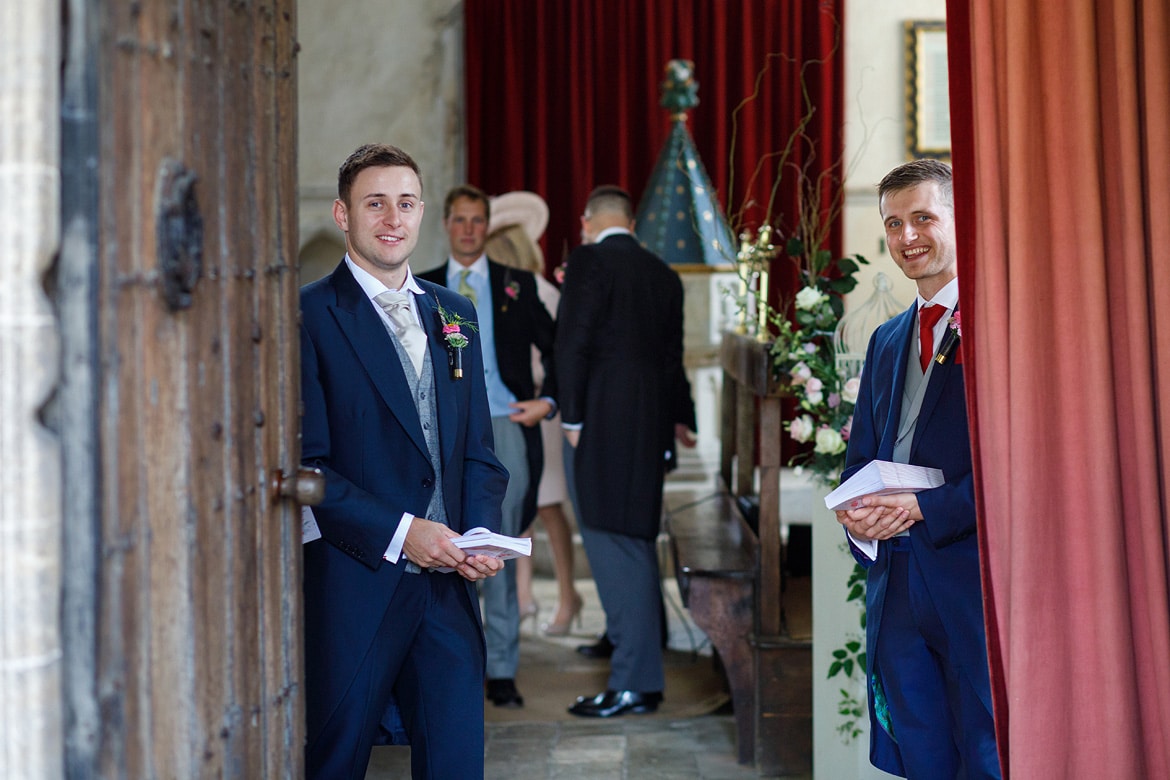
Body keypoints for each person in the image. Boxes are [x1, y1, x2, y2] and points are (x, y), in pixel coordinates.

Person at [299, 143, 508, 779]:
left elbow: (478, 453)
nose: (393, 217)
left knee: (455, 764)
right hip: (353, 586)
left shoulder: (456, 314)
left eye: (407, 203)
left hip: (448, 592)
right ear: (343, 214)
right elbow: (307, 471)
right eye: (375, 203)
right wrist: (401, 532)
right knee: (335, 763)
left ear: (422, 215)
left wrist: (478, 533)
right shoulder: (307, 313)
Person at [835, 159, 1000, 778]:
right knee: (921, 759)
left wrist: (927, 508)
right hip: (897, 592)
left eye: (924, 217)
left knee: (987, 756)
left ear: (962, 219)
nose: (908, 237)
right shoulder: (885, 339)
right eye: (894, 224)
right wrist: (857, 519)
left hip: (972, 585)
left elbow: (1021, 471)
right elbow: (862, 462)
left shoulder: (1001, 327)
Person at [556, 185, 697, 718]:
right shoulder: (663, 274)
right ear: (632, 221)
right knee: (632, 540)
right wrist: (682, 417)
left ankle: (635, 682)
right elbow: (671, 358)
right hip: (648, 426)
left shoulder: (588, 259)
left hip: (601, 424)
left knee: (615, 546)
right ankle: (638, 667)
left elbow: (573, 342)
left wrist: (571, 416)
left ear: (589, 221)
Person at [418, 184, 558, 709]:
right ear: (447, 224)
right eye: (460, 220)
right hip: (439, 433)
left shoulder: (516, 285)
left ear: (486, 226)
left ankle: (501, 668)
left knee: (494, 545)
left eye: (478, 220)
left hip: (503, 425)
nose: (469, 229)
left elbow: (561, 345)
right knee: (441, 546)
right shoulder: (422, 286)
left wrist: (549, 400)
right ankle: (446, 665)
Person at [483, 192, 584, 637]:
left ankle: (567, 595)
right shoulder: (502, 291)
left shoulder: (537, 292)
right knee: (522, 505)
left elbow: (554, 358)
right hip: (512, 413)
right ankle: (524, 596)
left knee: (545, 506)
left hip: (539, 413)